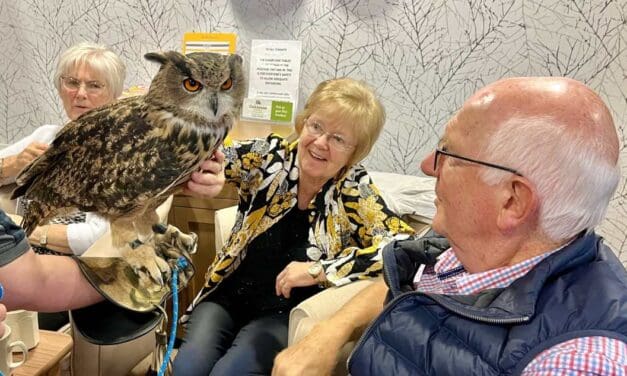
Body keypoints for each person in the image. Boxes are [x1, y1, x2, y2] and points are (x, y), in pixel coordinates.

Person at [272, 77, 627, 375]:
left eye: (448, 153)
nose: (428, 165)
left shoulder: (576, 360)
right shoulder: (464, 248)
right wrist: (333, 330)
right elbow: (401, 279)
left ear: (512, 201)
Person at [172, 78, 416, 375]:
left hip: (282, 313)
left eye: (338, 139)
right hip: (227, 296)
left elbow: (403, 249)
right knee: (187, 368)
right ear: (304, 123)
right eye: (316, 126)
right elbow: (216, 157)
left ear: (354, 152)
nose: (320, 143)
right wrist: (213, 172)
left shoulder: (354, 188)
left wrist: (321, 269)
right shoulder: (270, 155)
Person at [0, 41, 126, 257]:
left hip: (70, 266)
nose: (80, 94)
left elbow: (97, 237)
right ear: (60, 88)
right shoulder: (45, 136)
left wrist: (25, 231)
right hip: (17, 253)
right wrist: (14, 164)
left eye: (95, 85)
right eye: (72, 83)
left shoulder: (117, 154)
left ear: (114, 95)